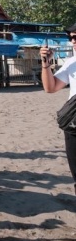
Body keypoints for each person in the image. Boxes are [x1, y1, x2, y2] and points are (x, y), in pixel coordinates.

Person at [40, 23, 76, 195]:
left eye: (75, 37)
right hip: (73, 123)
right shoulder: (72, 62)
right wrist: (46, 64)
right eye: (71, 37)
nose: (72, 41)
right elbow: (51, 87)